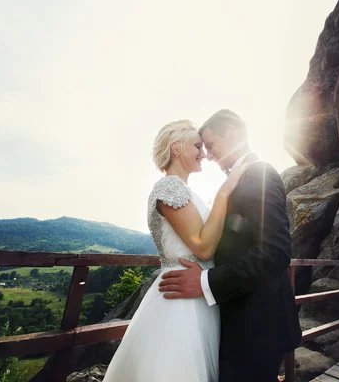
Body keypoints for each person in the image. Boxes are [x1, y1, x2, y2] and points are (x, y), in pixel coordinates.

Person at [159, 110, 302, 382]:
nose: (208, 155)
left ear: (233, 132)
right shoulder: (236, 179)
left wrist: (205, 281)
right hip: (238, 320)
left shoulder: (260, 173)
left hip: (257, 326)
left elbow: (275, 251)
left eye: (211, 145)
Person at [103, 119, 246, 382]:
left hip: (196, 292)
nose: (203, 153)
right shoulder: (169, 187)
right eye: (197, 146)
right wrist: (225, 194)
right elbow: (203, 247)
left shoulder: (185, 191)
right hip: (180, 301)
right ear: (177, 148)